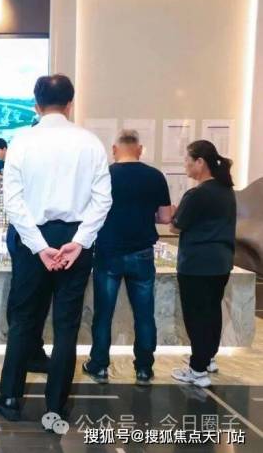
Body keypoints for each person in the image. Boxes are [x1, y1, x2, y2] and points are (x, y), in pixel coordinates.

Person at [0, 75, 112, 430]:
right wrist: (81, 240)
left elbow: (13, 202)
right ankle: (55, 406)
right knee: (67, 326)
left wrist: (40, 246)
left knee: (24, 319)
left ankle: (10, 397)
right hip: (74, 239)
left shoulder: (23, 142)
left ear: (36, 105)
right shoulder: (90, 143)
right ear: (70, 104)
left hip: (33, 239)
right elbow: (103, 200)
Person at [82, 129, 173, 386]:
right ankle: (144, 368)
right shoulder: (155, 176)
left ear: (114, 149)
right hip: (142, 253)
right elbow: (165, 217)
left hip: (108, 252)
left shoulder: (104, 175)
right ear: (140, 149)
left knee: (104, 313)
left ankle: (99, 365)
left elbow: (90, 213)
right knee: (144, 314)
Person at [170, 140, 236, 388]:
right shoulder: (226, 191)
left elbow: (176, 226)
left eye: (187, 161)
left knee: (196, 316)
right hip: (221, 262)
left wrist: (174, 215)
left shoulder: (196, 194)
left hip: (196, 265)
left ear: (200, 162)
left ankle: (197, 370)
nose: (185, 166)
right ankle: (207, 358)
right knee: (212, 311)